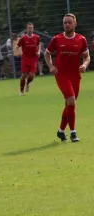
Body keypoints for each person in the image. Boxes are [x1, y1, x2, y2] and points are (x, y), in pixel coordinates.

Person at [45, 13, 90, 143]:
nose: (67, 24)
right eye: (65, 22)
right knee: (71, 101)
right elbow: (47, 54)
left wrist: (85, 64)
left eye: (69, 22)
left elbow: (86, 56)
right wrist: (51, 66)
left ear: (75, 24)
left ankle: (60, 131)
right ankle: (73, 133)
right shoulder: (57, 39)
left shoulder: (81, 39)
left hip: (75, 75)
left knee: (69, 104)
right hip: (62, 75)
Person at [17, 23, 41, 96]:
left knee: (31, 76)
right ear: (26, 29)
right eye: (29, 28)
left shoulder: (37, 37)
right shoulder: (23, 38)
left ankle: (28, 83)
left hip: (33, 58)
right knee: (24, 75)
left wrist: (39, 51)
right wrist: (20, 52)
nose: (30, 29)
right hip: (25, 58)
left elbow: (38, 45)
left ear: (33, 29)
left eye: (31, 28)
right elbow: (17, 47)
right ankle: (21, 91)